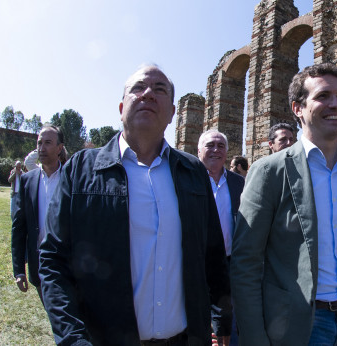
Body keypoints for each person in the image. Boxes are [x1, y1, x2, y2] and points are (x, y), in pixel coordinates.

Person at [38, 64, 230, 345]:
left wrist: (220, 318)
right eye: (138, 88)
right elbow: (53, 261)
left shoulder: (192, 173)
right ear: (121, 107)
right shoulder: (81, 171)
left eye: (160, 89)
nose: (149, 94)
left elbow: (213, 255)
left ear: (172, 113)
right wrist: (72, 338)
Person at [231, 63, 337, 346]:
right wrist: (253, 336)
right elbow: (245, 263)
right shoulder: (269, 171)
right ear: (298, 108)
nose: (336, 104)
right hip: (296, 326)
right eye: (323, 96)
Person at [198, 129, 244, 346]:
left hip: (227, 261)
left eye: (221, 146)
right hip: (195, 262)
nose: (216, 150)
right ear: (199, 150)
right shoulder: (188, 179)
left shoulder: (238, 183)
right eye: (210, 145)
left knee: (227, 316)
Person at [11, 125, 64, 304]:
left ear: (59, 148)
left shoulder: (72, 179)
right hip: (39, 267)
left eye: (48, 143)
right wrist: (19, 270)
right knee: (53, 317)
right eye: (39, 143)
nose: (41, 148)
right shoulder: (27, 181)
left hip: (68, 267)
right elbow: (19, 227)